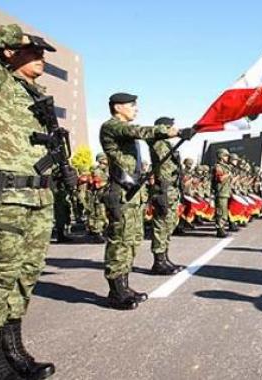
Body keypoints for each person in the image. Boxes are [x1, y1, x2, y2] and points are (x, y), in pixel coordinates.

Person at [0, 24, 77, 379]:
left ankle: (13, 349)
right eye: (34, 51)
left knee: (24, 277)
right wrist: (17, 36)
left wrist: (61, 168)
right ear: (11, 52)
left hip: (38, 196)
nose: (41, 57)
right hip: (5, 196)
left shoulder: (36, 96)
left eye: (41, 53)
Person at [100, 92, 188, 310]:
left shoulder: (126, 132)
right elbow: (138, 131)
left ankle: (124, 287)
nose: (136, 109)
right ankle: (116, 291)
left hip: (133, 193)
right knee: (119, 241)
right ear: (118, 107)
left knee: (131, 240)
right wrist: (173, 132)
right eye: (132, 105)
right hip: (121, 192)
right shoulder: (112, 126)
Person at [147, 117, 188, 275]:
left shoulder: (166, 144)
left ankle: (164, 258)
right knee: (161, 225)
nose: (173, 129)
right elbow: (163, 164)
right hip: (163, 188)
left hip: (171, 189)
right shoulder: (158, 143)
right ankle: (158, 261)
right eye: (170, 127)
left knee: (169, 224)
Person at [212, 148, 234, 237]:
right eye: (225, 156)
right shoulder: (218, 167)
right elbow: (220, 179)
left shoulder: (225, 167)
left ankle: (222, 228)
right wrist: (228, 174)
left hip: (225, 192)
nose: (227, 158)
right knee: (220, 212)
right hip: (221, 193)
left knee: (224, 212)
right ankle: (220, 230)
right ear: (220, 156)